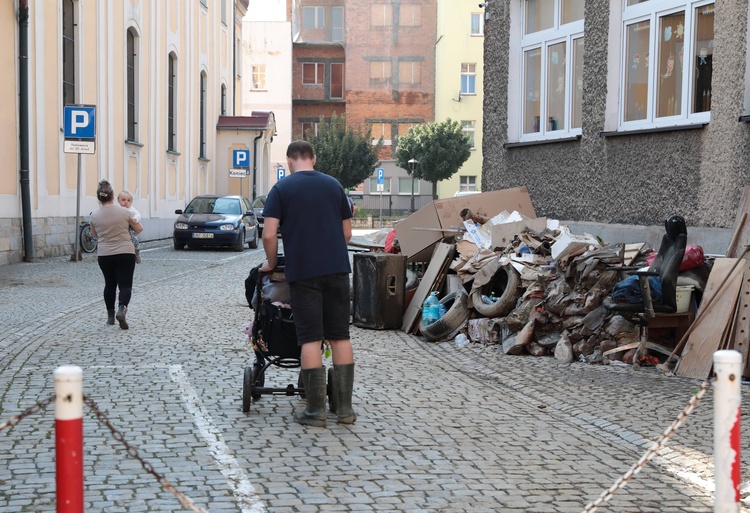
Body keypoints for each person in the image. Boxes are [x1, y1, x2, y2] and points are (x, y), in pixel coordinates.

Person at [260, 140, 355, 427]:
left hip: (304, 272)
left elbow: (268, 234)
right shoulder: (334, 186)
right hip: (338, 269)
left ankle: (316, 411)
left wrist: (272, 262)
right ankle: (345, 410)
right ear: (313, 158)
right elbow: (347, 233)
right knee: (340, 336)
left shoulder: (281, 189)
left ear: (289, 160)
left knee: (310, 337)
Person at [90, 180, 143, 330]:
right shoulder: (126, 212)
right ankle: (122, 308)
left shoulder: (94, 215)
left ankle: (110, 316)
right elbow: (139, 229)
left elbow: (95, 235)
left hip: (105, 254)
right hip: (125, 252)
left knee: (109, 284)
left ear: (99, 198)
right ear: (113, 196)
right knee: (125, 284)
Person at [117, 190, 142, 263]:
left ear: (131, 202)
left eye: (128, 200)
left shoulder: (132, 210)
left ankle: (137, 253)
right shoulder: (118, 210)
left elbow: (138, 215)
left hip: (130, 229)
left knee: (135, 242)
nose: (126, 202)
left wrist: (135, 219)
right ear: (118, 200)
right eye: (123, 200)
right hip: (121, 230)